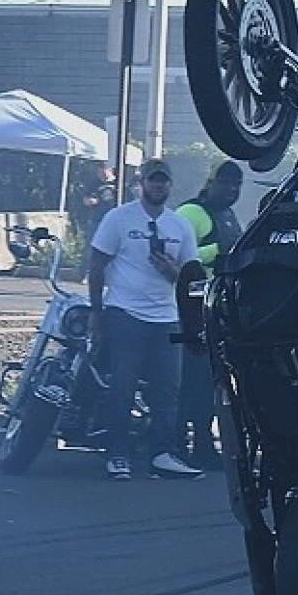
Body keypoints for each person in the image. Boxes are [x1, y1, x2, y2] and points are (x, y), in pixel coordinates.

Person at [87, 158, 205, 481]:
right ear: (142, 183)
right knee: (122, 385)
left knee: (168, 388)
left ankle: (161, 454)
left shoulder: (180, 225)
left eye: (164, 181)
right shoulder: (119, 218)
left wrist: (173, 272)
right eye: (153, 180)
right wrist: (98, 314)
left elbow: (192, 278)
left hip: (167, 317)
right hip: (126, 313)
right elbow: (97, 265)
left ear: (170, 185)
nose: (159, 186)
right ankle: (117, 453)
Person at [173, 161, 246, 468]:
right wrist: (216, 251)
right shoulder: (191, 213)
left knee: (211, 382)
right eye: (225, 182)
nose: (230, 189)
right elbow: (175, 254)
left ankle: (204, 443)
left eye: (235, 184)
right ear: (210, 181)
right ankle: (178, 444)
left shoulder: (227, 215)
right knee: (187, 383)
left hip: (215, 312)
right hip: (187, 312)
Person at [71, 164, 119, 282]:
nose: (101, 174)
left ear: (109, 170)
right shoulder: (94, 183)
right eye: (99, 171)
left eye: (103, 171)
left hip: (115, 221)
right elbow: (86, 200)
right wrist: (92, 201)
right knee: (91, 247)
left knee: (114, 249)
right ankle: (86, 273)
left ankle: (110, 275)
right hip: (97, 220)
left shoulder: (119, 182)